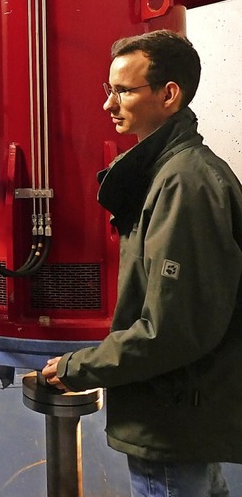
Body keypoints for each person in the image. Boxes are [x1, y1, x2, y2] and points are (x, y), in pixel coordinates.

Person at [42, 29, 242, 496]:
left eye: (123, 91)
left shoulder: (185, 186)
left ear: (169, 94)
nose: (109, 106)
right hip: (181, 416)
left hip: (171, 422)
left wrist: (78, 367)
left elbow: (171, 330)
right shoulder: (169, 175)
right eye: (108, 91)